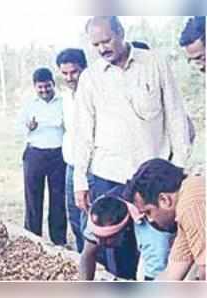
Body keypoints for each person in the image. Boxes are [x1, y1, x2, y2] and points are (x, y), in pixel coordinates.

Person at [72, 16, 190, 279]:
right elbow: (82, 133)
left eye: (106, 40)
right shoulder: (90, 78)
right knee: (115, 254)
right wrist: (80, 180)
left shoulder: (154, 63)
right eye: (96, 44)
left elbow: (176, 117)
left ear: (121, 32)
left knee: (158, 254)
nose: (102, 49)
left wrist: (178, 168)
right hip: (109, 176)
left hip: (154, 182)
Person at [124, 158, 205, 280]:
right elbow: (173, 272)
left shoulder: (191, 205)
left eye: (148, 212)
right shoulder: (186, 201)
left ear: (164, 200)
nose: (150, 220)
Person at [18, 67, 67, 245]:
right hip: (35, 154)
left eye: (47, 86)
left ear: (53, 84)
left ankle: (59, 239)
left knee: (59, 198)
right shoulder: (29, 103)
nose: (44, 90)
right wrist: (28, 127)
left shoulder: (63, 101)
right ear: (35, 87)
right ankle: (32, 238)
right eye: (40, 88)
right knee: (33, 197)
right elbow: (17, 128)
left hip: (58, 154)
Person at [56, 48, 87, 252]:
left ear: (84, 69)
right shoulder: (65, 96)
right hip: (71, 166)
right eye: (64, 73)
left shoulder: (95, 93)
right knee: (74, 219)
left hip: (92, 167)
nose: (69, 77)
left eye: (74, 72)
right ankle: (83, 261)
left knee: (91, 221)